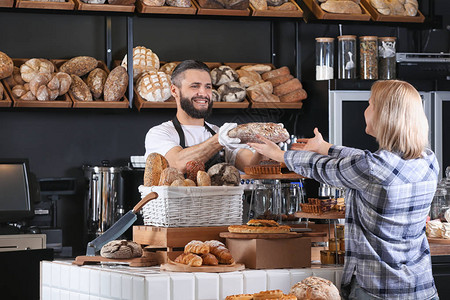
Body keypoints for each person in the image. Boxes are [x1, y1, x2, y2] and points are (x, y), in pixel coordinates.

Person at [248, 80, 440, 300]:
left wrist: (280, 155)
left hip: (378, 290)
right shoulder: (428, 160)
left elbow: (326, 168)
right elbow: (365, 160)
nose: (365, 110)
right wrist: (326, 148)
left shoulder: (370, 168)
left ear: (385, 115)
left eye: (370, 104)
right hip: (421, 288)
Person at [144, 60, 263, 173]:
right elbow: (177, 164)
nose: (203, 93)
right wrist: (218, 140)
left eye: (208, 87)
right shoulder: (159, 133)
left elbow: (250, 167)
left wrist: (264, 146)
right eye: (195, 86)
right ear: (174, 91)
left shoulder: (218, 132)